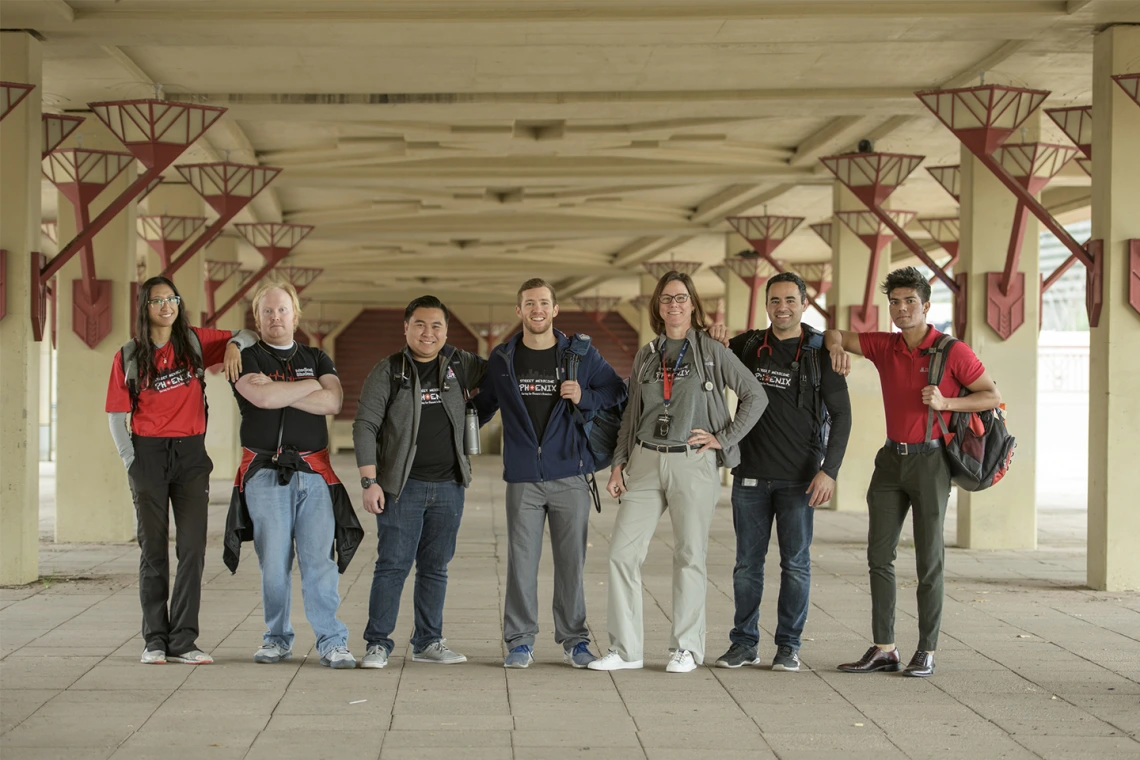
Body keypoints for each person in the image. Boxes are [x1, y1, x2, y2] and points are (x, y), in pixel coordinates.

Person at [588, 271, 766, 674]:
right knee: (621, 553)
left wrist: (725, 437)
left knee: (689, 556)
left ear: (692, 304)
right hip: (646, 460)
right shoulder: (647, 354)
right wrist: (618, 464)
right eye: (666, 299)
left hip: (693, 460)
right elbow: (631, 416)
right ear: (657, 306)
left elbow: (756, 394)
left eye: (681, 298)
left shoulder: (710, 350)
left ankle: (686, 648)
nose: (673, 305)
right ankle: (626, 649)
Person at [826, 266, 1000, 678]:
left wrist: (946, 404)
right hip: (890, 461)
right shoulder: (885, 345)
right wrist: (836, 348)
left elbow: (991, 395)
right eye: (895, 302)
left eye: (910, 302)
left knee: (929, 559)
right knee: (878, 556)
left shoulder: (951, 350)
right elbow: (834, 333)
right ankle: (884, 647)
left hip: (931, 462)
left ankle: (927, 649)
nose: (902, 309)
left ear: (926, 306)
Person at [474, 278, 627, 669]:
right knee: (521, 563)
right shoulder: (503, 358)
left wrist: (585, 396)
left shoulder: (580, 354)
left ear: (555, 310)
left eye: (544, 303)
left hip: (570, 475)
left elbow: (616, 391)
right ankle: (520, 642)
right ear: (519, 311)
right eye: (529, 303)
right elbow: (484, 406)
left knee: (571, 563)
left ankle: (575, 641)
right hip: (523, 478)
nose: (537, 309)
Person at [106, 275, 257, 665]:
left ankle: (184, 640)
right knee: (153, 550)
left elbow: (248, 333)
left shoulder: (193, 340)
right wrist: (131, 461)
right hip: (148, 456)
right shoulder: (128, 354)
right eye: (157, 300)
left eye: (172, 298)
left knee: (191, 549)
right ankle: (155, 639)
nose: (166, 306)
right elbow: (116, 413)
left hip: (191, 457)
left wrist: (235, 346)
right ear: (145, 308)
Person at [706, 272, 853, 672]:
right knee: (746, 566)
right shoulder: (750, 346)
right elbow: (706, 353)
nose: (782, 307)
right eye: (774, 300)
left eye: (790, 299)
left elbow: (842, 417)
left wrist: (830, 471)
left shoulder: (822, 352)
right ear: (766, 304)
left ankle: (788, 646)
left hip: (800, 479)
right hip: (750, 475)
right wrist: (714, 333)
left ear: (804, 303)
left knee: (796, 565)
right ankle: (744, 644)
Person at [228, 280, 359, 669]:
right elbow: (263, 399)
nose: (275, 317)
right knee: (275, 563)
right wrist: (308, 389)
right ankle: (277, 638)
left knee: (320, 562)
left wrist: (285, 387)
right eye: (267, 311)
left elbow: (333, 401)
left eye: (282, 310)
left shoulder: (318, 357)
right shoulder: (245, 358)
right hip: (265, 476)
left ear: (296, 315)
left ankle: (332, 641)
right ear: (257, 318)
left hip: (314, 474)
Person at [352, 296, 487, 669]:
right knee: (393, 565)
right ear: (407, 328)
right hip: (402, 487)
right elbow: (365, 425)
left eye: (437, 325)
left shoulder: (460, 364)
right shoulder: (389, 370)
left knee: (435, 567)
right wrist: (369, 481)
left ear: (446, 330)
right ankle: (378, 643)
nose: (429, 333)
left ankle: (428, 641)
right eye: (420, 325)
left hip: (449, 487)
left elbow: (504, 375)